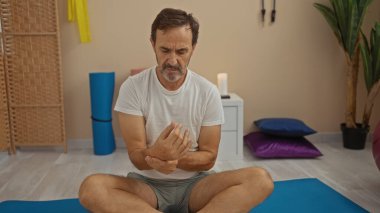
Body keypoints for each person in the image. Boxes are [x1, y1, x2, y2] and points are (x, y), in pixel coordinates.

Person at [79, 8, 273, 213]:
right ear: (153, 44)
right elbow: (137, 157)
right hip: (147, 187)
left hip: (197, 187)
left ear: (193, 48)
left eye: (181, 52)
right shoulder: (132, 88)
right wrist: (155, 156)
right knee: (91, 188)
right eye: (165, 50)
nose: (172, 60)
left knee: (261, 180)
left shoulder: (207, 92)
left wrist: (171, 158)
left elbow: (209, 158)